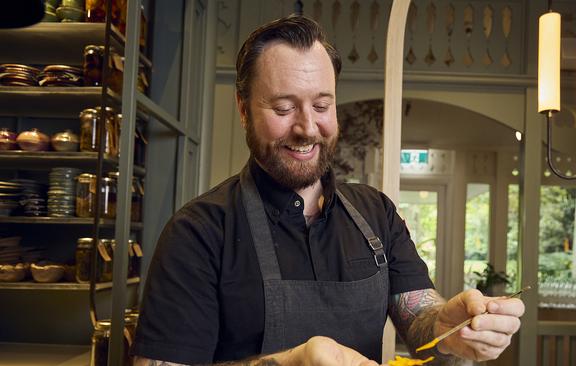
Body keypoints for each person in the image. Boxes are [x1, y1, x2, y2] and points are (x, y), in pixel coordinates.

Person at [132, 15, 524, 366]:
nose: (307, 128)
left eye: (322, 105)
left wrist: (446, 324)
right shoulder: (198, 232)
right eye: (284, 108)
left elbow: (418, 318)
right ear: (242, 108)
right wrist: (290, 363)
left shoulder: (376, 214)